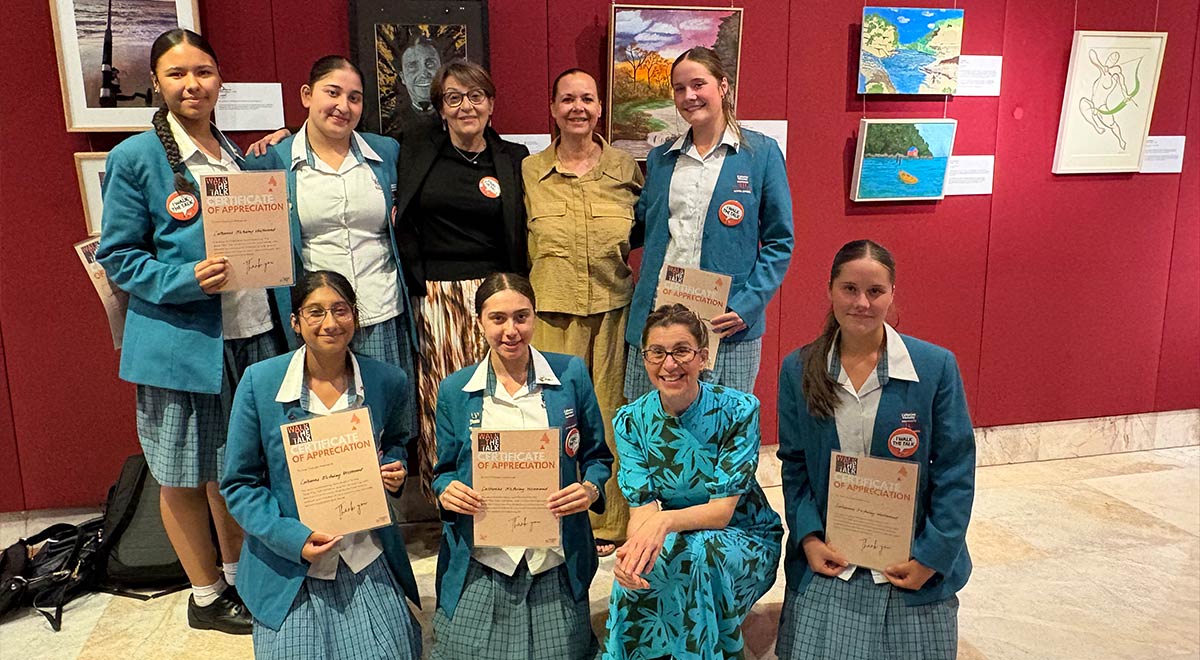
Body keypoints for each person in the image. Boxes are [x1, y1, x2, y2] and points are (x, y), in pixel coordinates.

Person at [96, 28, 285, 634]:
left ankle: (237, 580)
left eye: (202, 72)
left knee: (234, 472)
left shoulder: (232, 153)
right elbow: (118, 256)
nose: (191, 84)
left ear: (219, 78)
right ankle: (204, 596)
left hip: (249, 334)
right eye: (176, 74)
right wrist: (185, 278)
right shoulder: (135, 159)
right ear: (157, 82)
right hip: (182, 344)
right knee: (182, 474)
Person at [774, 240, 975, 660]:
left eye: (875, 292)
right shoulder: (798, 369)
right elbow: (794, 465)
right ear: (830, 290)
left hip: (911, 560)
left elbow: (956, 470)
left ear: (892, 294)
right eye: (849, 289)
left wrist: (931, 557)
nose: (862, 303)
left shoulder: (935, 367)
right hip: (833, 556)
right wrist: (809, 538)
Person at [221, 270, 422, 659]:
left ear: (356, 319)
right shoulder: (259, 383)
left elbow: (397, 442)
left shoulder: (388, 381)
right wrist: (293, 540)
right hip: (290, 561)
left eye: (340, 310)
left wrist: (394, 470)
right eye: (315, 312)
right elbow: (239, 484)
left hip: (364, 550)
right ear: (295, 322)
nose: (330, 323)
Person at [430, 273, 612, 660]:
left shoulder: (570, 375)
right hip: (484, 555)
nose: (511, 330)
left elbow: (597, 457)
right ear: (479, 320)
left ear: (534, 317)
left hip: (553, 553)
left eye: (521, 317)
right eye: (498, 318)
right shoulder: (455, 390)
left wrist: (590, 489)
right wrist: (446, 491)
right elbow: (443, 471)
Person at [245, 55, 417, 438]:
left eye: (354, 98)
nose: (343, 106)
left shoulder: (386, 153)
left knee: (385, 425)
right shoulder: (271, 160)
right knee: (325, 426)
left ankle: (388, 497)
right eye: (332, 93)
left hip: (382, 312)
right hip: (319, 320)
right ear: (307, 95)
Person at [604, 303, 782, 660]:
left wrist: (662, 523)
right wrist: (635, 551)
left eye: (682, 351)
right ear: (644, 358)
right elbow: (642, 507)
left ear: (703, 357)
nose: (670, 364)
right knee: (638, 566)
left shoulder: (739, 410)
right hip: (674, 533)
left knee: (699, 554)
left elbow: (721, 513)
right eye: (657, 352)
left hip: (744, 534)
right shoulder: (630, 421)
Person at [392, 59, 530, 500]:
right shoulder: (411, 150)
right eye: (453, 98)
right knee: (445, 400)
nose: (466, 106)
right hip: (438, 298)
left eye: (476, 96)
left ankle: (507, 494)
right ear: (440, 108)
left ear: (491, 103)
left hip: (498, 295)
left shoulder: (513, 158)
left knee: (501, 394)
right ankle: (448, 500)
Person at [624, 47, 794, 402]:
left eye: (698, 84)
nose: (689, 96)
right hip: (660, 318)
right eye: (679, 88)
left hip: (726, 323)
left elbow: (779, 242)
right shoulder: (661, 159)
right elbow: (639, 224)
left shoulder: (760, 154)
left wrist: (747, 307)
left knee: (723, 432)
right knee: (656, 430)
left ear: (723, 86)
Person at [522, 68, 644, 557]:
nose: (578, 108)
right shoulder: (529, 171)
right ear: (552, 109)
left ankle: (609, 520)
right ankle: (548, 515)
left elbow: (645, 234)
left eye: (587, 99)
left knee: (612, 416)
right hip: (550, 309)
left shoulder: (627, 170)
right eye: (567, 99)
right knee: (552, 416)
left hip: (614, 309)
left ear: (599, 108)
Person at [383, 35, 442, 138]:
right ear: (403, 77)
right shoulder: (391, 123)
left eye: (430, 64)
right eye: (413, 66)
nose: (423, 73)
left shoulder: (459, 118)